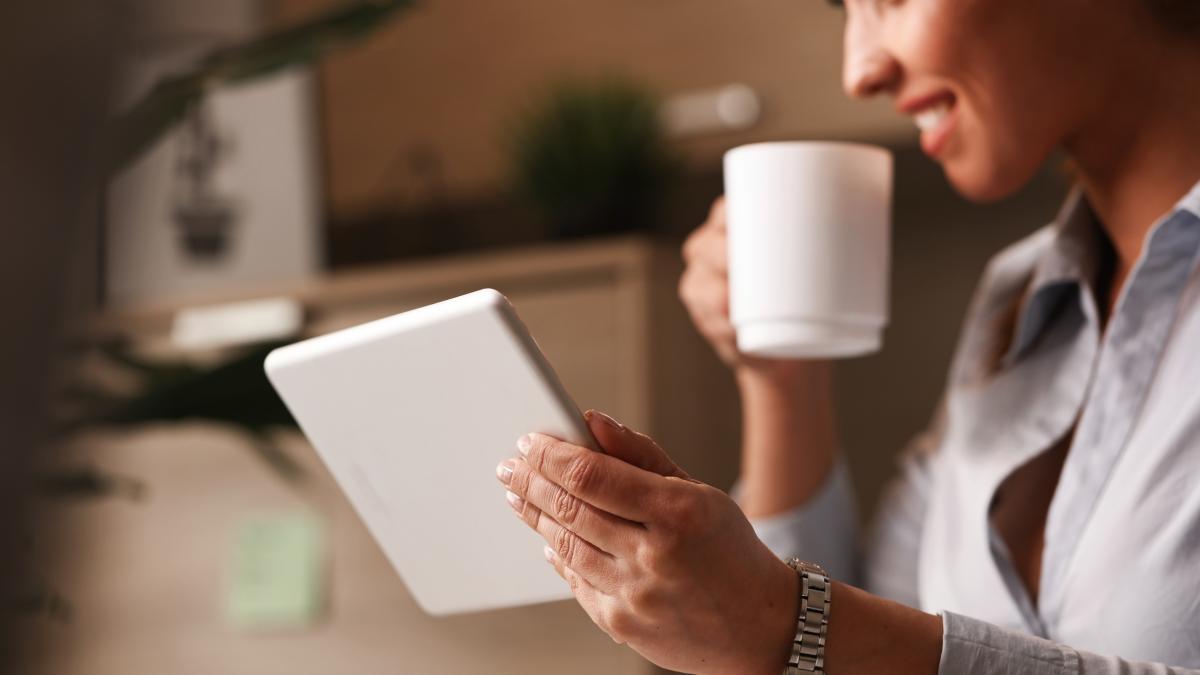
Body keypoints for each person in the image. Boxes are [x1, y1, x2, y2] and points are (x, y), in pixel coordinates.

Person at [494, 0, 1200, 672]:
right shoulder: (1012, 303)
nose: (860, 71)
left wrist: (783, 623)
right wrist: (781, 377)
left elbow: (834, 639)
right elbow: (862, 631)